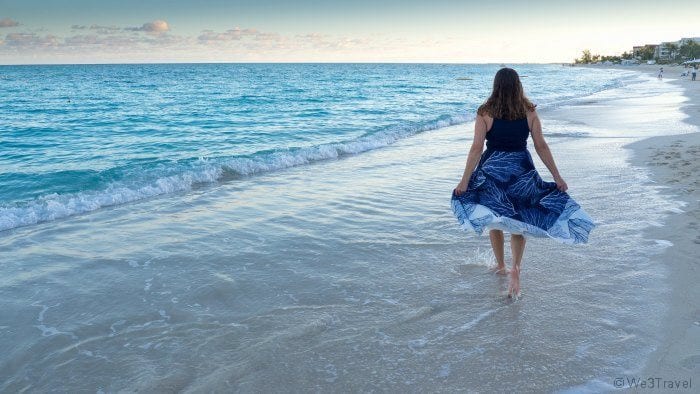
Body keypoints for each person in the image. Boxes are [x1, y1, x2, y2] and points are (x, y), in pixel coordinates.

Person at [451, 67, 596, 299]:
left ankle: (500, 265)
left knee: (495, 219)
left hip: (493, 171)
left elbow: (477, 148)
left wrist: (464, 180)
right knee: (520, 221)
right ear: (518, 85)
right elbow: (541, 145)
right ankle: (516, 267)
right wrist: (557, 177)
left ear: (495, 85)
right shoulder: (529, 111)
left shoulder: (485, 112)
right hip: (522, 172)